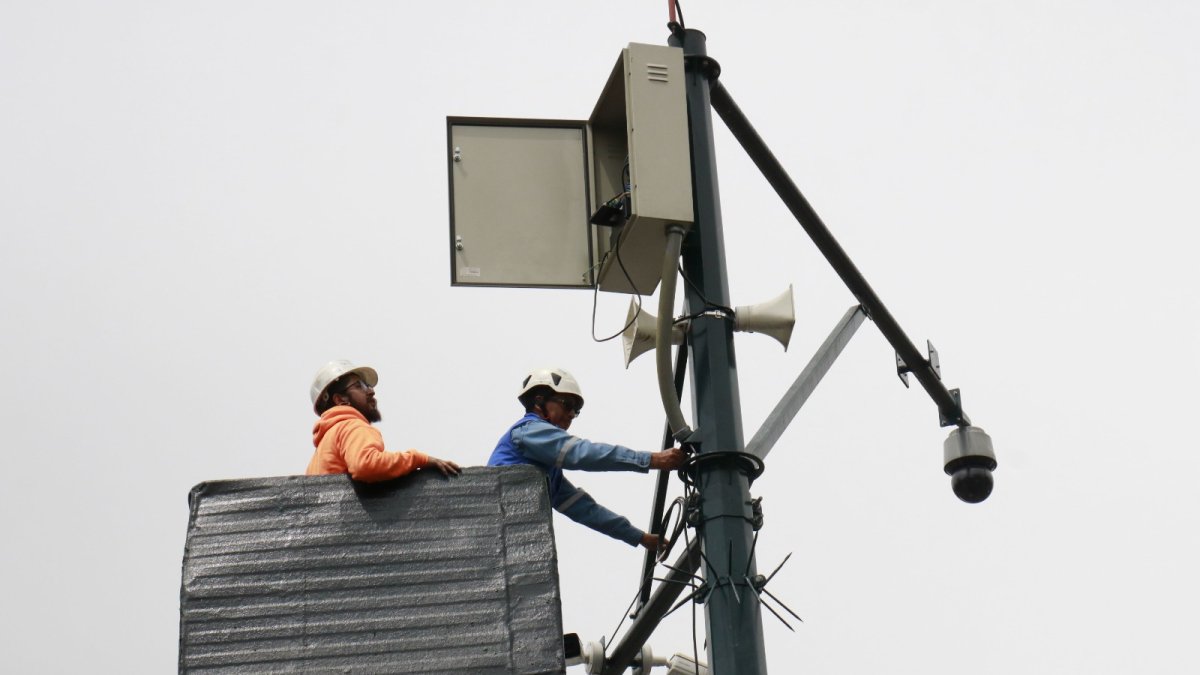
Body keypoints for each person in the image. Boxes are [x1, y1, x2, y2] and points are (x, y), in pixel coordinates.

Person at [488, 367, 685, 552]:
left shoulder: (546, 474)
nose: (572, 414)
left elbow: (585, 510)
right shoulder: (529, 431)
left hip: (503, 530)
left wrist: (639, 537)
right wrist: (650, 459)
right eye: (568, 405)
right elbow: (583, 453)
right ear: (539, 402)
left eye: (576, 411)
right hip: (494, 516)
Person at [306, 359, 461, 481]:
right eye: (360, 385)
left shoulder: (321, 452)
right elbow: (366, 464)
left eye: (367, 385)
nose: (371, 391)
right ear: (341, 399)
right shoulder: (351, 426)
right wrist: (420, 459)